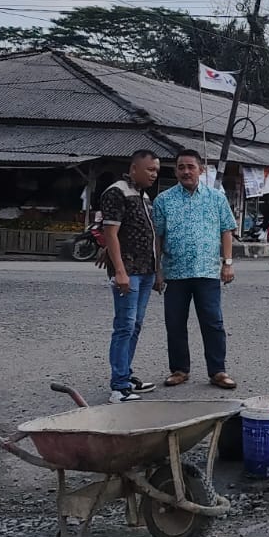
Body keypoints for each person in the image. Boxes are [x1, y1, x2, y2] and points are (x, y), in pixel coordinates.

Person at [153, 149, 239, 390]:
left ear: (201, 170)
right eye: (181, 167)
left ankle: (218, 371)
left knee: (213, 322)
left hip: (207, 272)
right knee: (175, 322)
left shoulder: (216, 198)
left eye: (191, 166)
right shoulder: (163, 200)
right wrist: (157, 270)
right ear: (176, 171)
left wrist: (228, 263)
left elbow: (226, 230)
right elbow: (157, 237)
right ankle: (179, 370)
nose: (186, 171)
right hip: (175, 272)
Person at [100, 149, 161, 403]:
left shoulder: (144, 197)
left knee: (135, 325)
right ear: (134, 168)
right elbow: (110, 233)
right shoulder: (117, 192)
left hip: (146, 270)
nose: (154, 175)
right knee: (124, 325)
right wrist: (120, 271)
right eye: (150, 170)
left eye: (156, 170)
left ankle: (126, 374)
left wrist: (158, 271)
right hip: (129, 271)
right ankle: (119, 386)